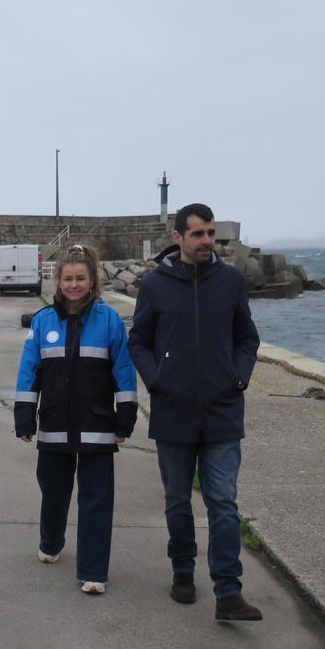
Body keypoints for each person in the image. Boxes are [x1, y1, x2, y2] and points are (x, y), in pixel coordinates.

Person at [129, 203, 263, 621]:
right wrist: (158, 380)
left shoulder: (231, 282)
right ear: (179, 237)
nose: (207, 241)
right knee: (176, 501)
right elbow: (139, 341)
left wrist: (239, 377)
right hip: (174, 411)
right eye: (199, 234)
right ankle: (183, 571)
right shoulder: (155, 285)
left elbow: (247, 338)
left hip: (223, 410)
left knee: (223, 502)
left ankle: (228, 591)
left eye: (210, 233)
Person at [13, 245, 137, 595]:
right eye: (67, 278)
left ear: (93, 280)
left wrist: (124, 418)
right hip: (53, 425)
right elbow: (29, 372)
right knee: (53, 491)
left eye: (80, 278)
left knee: (97, 499)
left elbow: (123, 372)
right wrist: (25, 417)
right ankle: (51, 542)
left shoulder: (110, 320)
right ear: (58, 280)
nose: (73, 284)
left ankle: (93, 571)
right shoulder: (42, 322)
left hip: (98, 425)